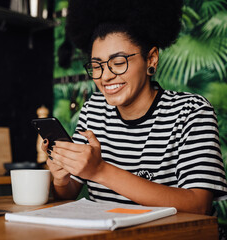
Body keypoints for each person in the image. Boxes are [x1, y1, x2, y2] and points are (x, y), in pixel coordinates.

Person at [42, 0, 227, 215]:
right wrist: (62, 177)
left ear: (151, 59)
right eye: (96, 66)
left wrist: (101, 171)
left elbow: (199, 205)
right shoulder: (93, 110)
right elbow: (67, 193)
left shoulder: (191, 112)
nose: (106, 76)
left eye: (119, 62)